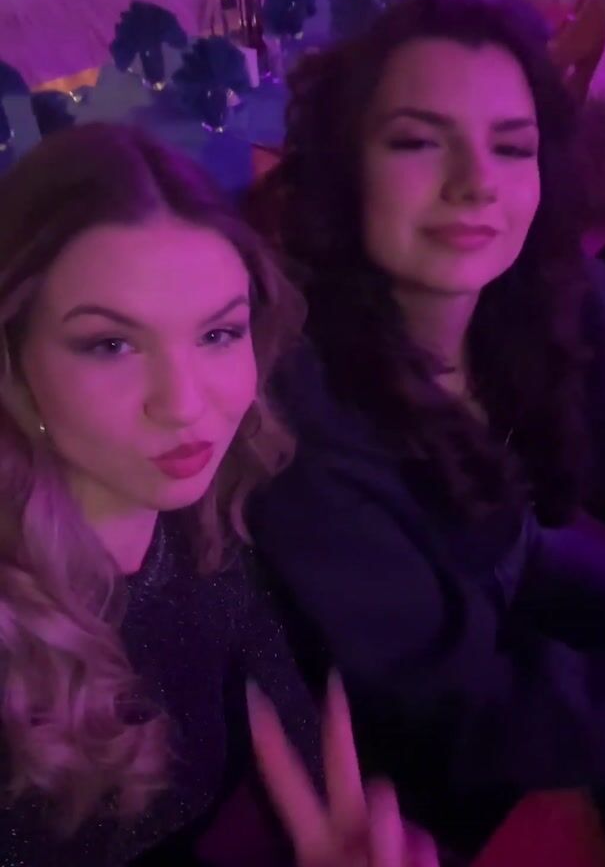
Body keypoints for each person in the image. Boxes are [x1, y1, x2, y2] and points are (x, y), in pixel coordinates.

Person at [247, 0, 605, 861]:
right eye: (419, 142)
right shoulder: (299, 417)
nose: (477, 184)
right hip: (395, 766)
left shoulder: (560, 301)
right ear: (345, 171)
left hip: (514, 592)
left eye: (512, 146)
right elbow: (455, 708)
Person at [0, 122, 438, 867]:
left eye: (217, 335)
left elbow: (296, 735)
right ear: (14, 358)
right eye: (111, 344)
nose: (184, 404)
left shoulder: (206, 521)